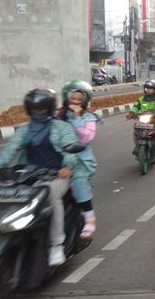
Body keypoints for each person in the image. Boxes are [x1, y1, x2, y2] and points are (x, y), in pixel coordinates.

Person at [0, 88, 82, 266]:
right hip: (28, 174)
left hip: (55, 175)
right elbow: (9, 151)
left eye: (41, 109)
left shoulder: (61, 127)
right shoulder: (25, 131)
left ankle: (56, 245)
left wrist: (67, 166)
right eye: (34, 110)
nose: (38, 113)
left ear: (49, 109)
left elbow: (70, 148)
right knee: (2, 192)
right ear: (29, 110)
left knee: (51, 195)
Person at [57, 80, 99, 240]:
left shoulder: (89, 118)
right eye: (72, 98)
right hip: (58, 159)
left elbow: (85, 138)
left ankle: (89, 217)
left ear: (85, 101)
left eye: (79, 99)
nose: (75, 102)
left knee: (78, 181)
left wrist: (76, 117)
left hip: (81, 160)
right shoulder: (58, 116)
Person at [127, 80, 155, 156]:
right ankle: (137, 146)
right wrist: (131, 113)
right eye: (147, 88)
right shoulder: (140, 99)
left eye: (150, 88)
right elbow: (135, 107)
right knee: (136, 132)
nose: (148, 90)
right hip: (142, 121)